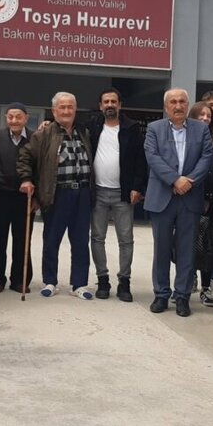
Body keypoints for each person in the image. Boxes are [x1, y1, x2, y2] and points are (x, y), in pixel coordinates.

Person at [18, 92, 95, 300]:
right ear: (54, 111)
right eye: (62, 107)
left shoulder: (84, 132)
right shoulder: (43, 134)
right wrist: (26, 179)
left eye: (70, 107)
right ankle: (50, 281)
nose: (66, 111)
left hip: (82, 193)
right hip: (56, 193)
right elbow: (25, 156)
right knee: (52, 239)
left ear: (75, 110)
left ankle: (79, 284)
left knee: (81, 241)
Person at [144, 89, 213, 317]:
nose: (178, 105)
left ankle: (182, 296)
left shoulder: (201, 129)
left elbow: (206, 157)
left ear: (187, 105)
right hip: (162, 197)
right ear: (166, 107)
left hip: (190, 197)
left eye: (182, 101)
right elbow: (152, 157)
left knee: (187, 250)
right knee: (161, 249)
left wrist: (188, 181)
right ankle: (161, 294)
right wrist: (175, 180)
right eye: (173, 102)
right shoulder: (154, 129)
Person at [88, 88, 146, 303]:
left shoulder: (132, 128)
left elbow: (141, 160)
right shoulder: (92, 126)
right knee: (97, 237)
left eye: (113, 101)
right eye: (106, 102)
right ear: (100, 105)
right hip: (98, 192)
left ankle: (124, 281)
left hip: (123, 193)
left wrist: (137, 187)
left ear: (120, 105)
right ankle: (102, 280)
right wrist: (46, 126)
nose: (110, 105)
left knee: (126, 240)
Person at [0, 102, 34, 293]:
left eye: (18, 117)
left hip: (24, 197)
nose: (14, 121)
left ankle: (20, 280)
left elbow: (39, 168)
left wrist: (37, 197)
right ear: (6, 118)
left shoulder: (34, 138)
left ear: (26, 118)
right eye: (10, 117)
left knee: (23, 240)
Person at [189, 101, 213, 307]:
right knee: (185, 244)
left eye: (208, 116)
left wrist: (208, 197)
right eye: (201, 115)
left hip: (209, 202)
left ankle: (206, 287)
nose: (205, 119)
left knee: (207, 245)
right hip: (186, 198)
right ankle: (187, 279)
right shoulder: (185, 139)